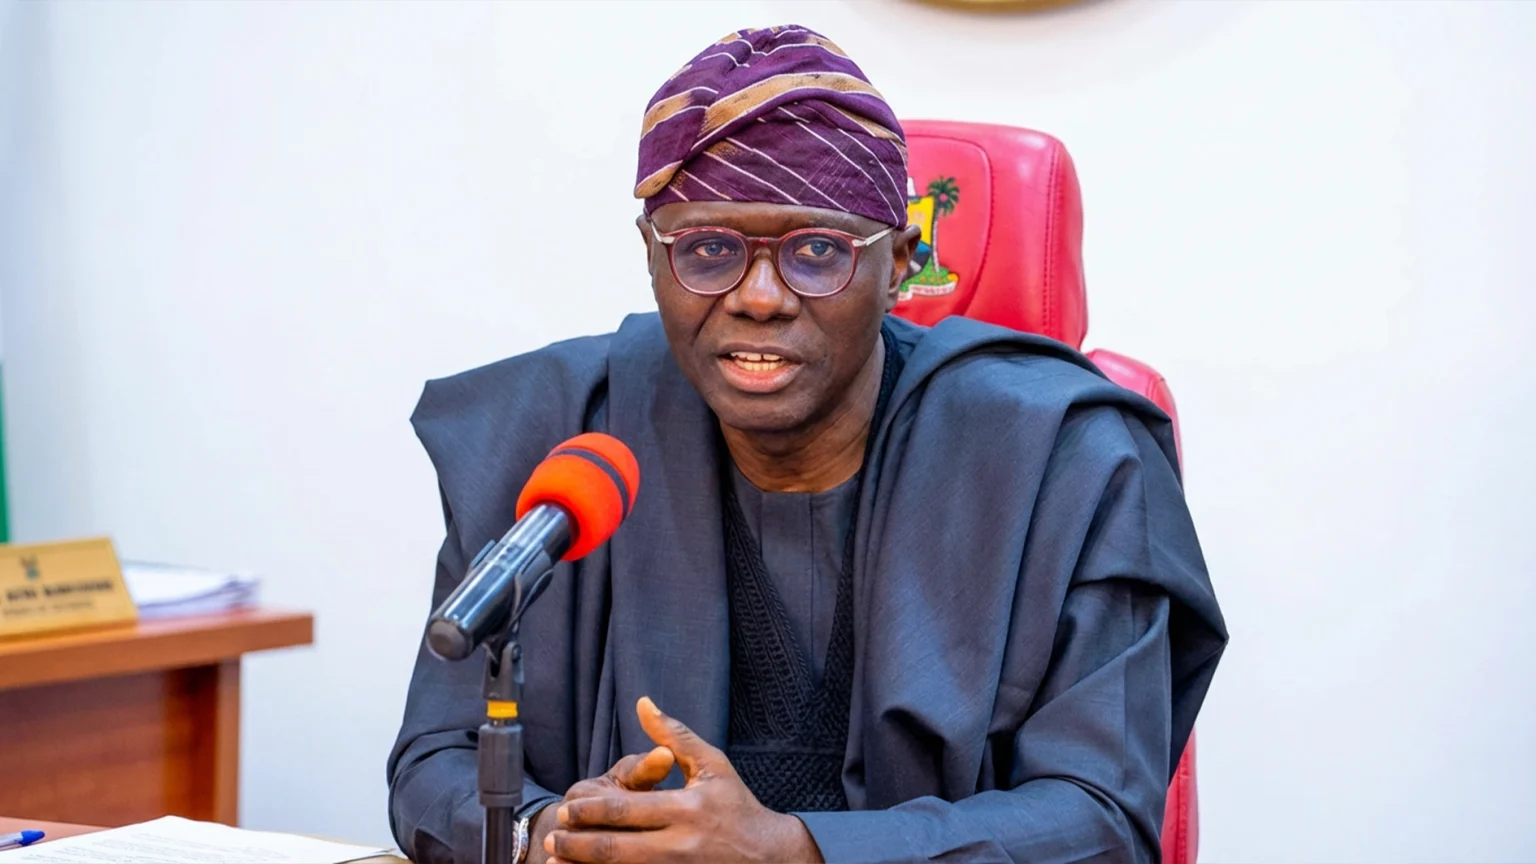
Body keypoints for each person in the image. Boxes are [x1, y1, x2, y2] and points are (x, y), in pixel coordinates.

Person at [388, 24, 1226, 864]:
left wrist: (793, 851)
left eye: (818, 252)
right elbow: (436, 759)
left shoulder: (1065, 462)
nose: (759, 298)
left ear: (900, 264)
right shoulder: (564, 435)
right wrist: (557, 836)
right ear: (652, 254)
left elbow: (1098, 819)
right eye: (708, 250)